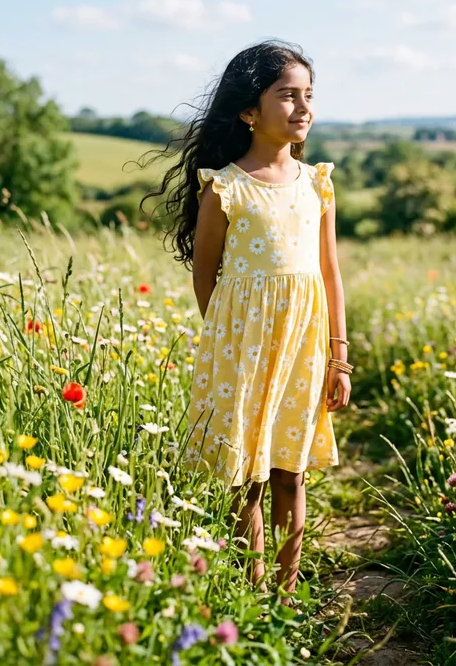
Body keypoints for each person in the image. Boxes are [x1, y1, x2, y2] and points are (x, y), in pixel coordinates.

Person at [145, 39, 352, 605]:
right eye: (287, 95)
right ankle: (252, 595)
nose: (303, 107)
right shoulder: (226, 185)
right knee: (249, 477)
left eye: (308, 95)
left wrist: (338, 354)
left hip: (305, 347)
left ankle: (284, 597)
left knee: (291, 472)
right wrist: (228, 342)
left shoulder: (318, 184)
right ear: (248, 111)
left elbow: (330, 274)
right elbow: (205, 272)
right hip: (244, 348)